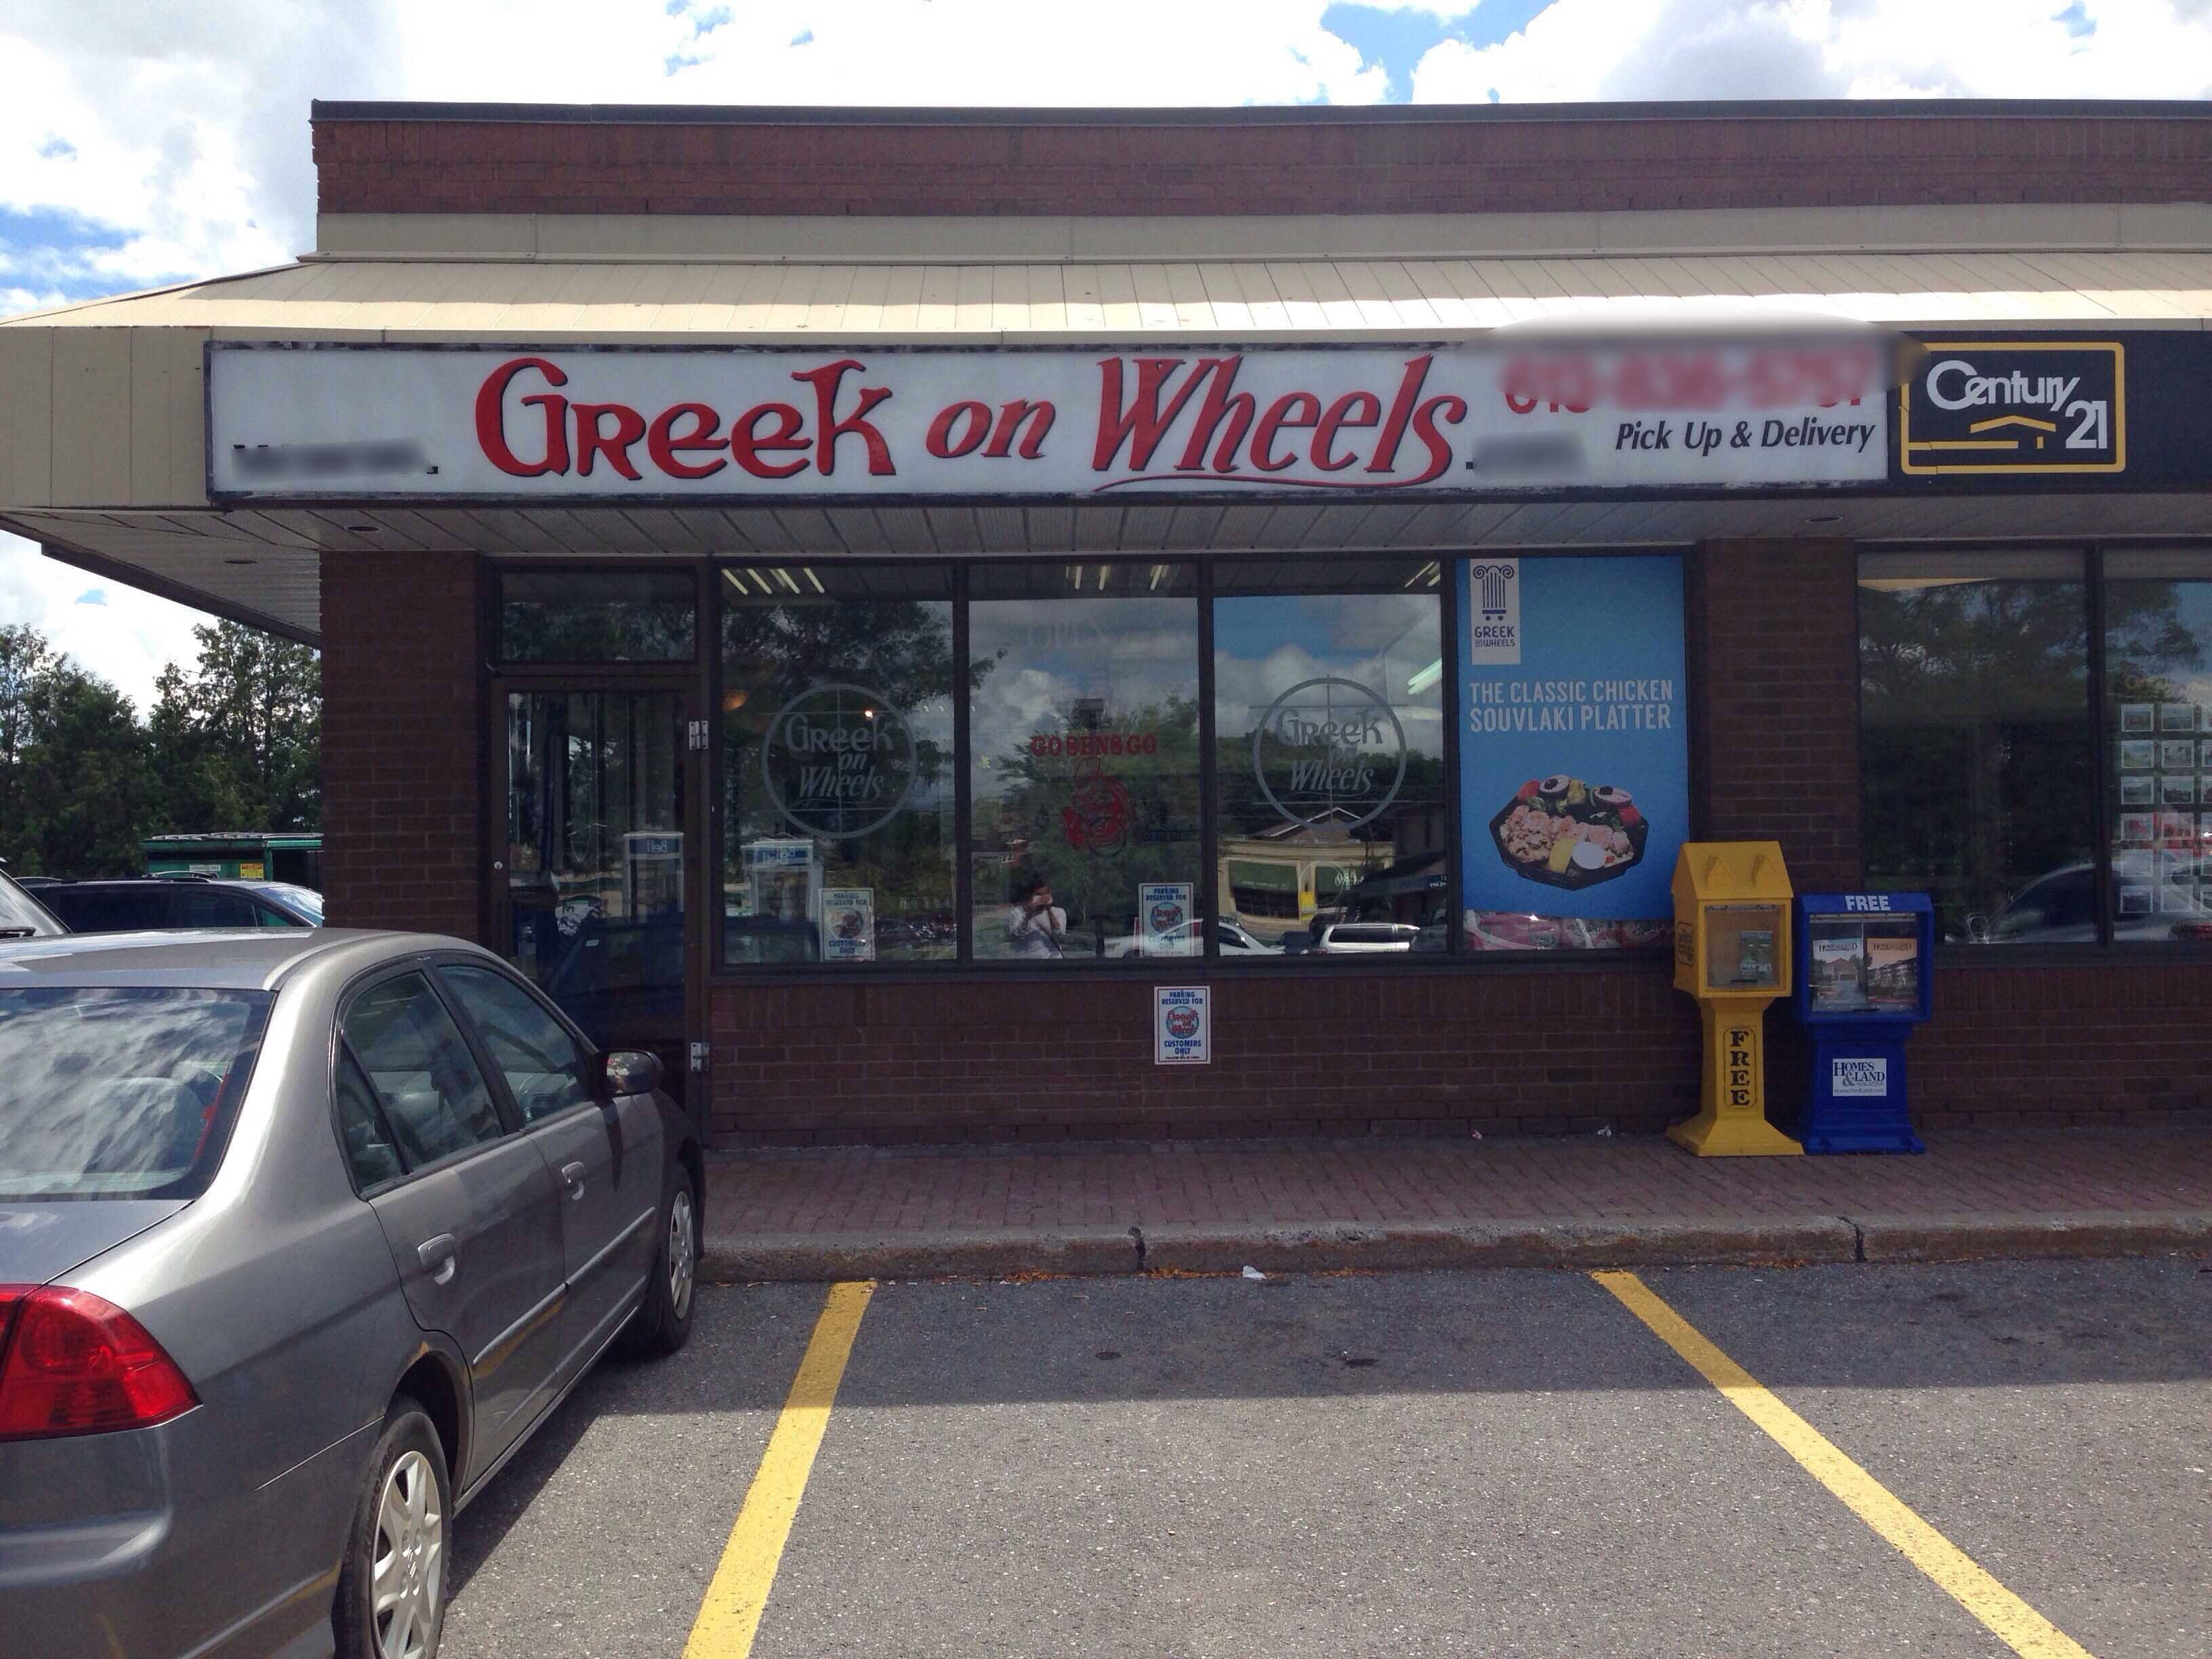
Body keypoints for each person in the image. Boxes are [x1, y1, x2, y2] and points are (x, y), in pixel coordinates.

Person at [1006, 874, 1066, 959]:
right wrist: (1028, 916)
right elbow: (1015, 937)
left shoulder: (1059, 912)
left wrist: (1049, 910)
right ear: (1030, 895)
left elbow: (1060, 933)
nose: (1042, 898)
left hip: (1053, 960)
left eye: (1045, 895)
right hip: (1028, 961)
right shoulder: (1017, 913)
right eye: (1038, 895)